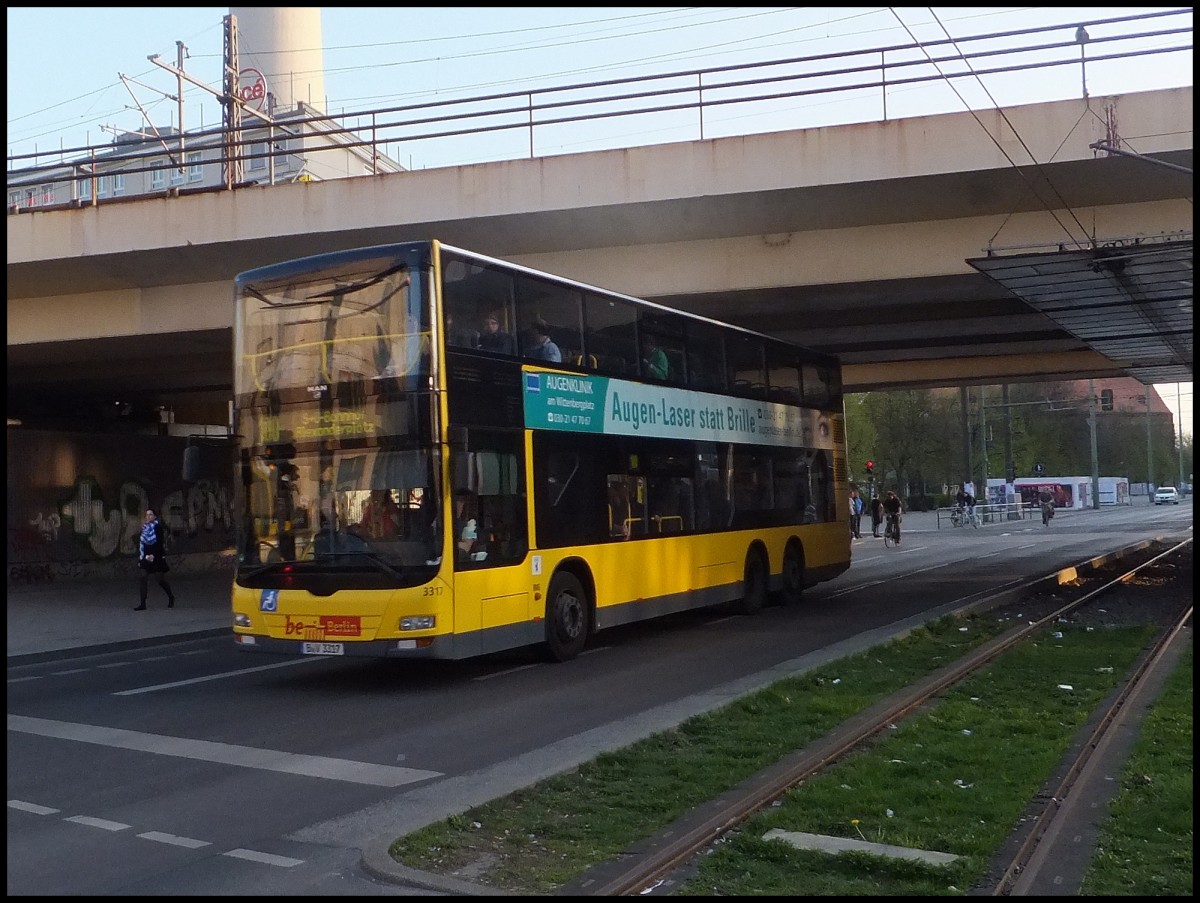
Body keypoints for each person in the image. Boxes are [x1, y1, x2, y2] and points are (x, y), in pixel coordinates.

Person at [134, 507, 175, 610]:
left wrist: (154, 555)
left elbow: (159, 543)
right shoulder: (144, 528)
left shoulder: (158, 527)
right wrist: (142, 557)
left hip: (156, 556)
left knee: (160, 579)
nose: (148, 516)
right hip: (146, 556)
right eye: (147, 515)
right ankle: (143, 603)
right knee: (143, 577)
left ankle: (171, 597)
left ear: (155, 517)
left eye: (150, 515)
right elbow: (141, 544)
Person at [453, 489, 480, 560]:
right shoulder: (442, 520)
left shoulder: (471, 523)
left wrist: (445, 544)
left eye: (461, 501)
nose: (458, 504)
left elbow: (467, 547)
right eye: (456, 500)